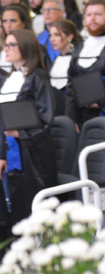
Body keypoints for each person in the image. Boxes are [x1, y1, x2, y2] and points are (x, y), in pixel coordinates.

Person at [0, 29, 57, 242]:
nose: (6, 48)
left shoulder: (38, 77)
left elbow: (46, 118)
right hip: (12, 151)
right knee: (16, 208)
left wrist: (20, 133)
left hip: (34, 154)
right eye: (6, 44)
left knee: (34, 209)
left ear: (26, 48)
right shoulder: (8, 77)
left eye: (12, 45)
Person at [64, 0, 105, 127]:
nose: (92, 19)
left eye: (98, 14)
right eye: (88, 15)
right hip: (83, 114)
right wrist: (72, 117)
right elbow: (71, 83)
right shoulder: (79, 46)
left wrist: (99, 102)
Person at [47, 19, 77, 116]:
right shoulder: (56, 60)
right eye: (51, 35)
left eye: (57, 35)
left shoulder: (76, 59)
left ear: (70, 36)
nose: (52, 39)